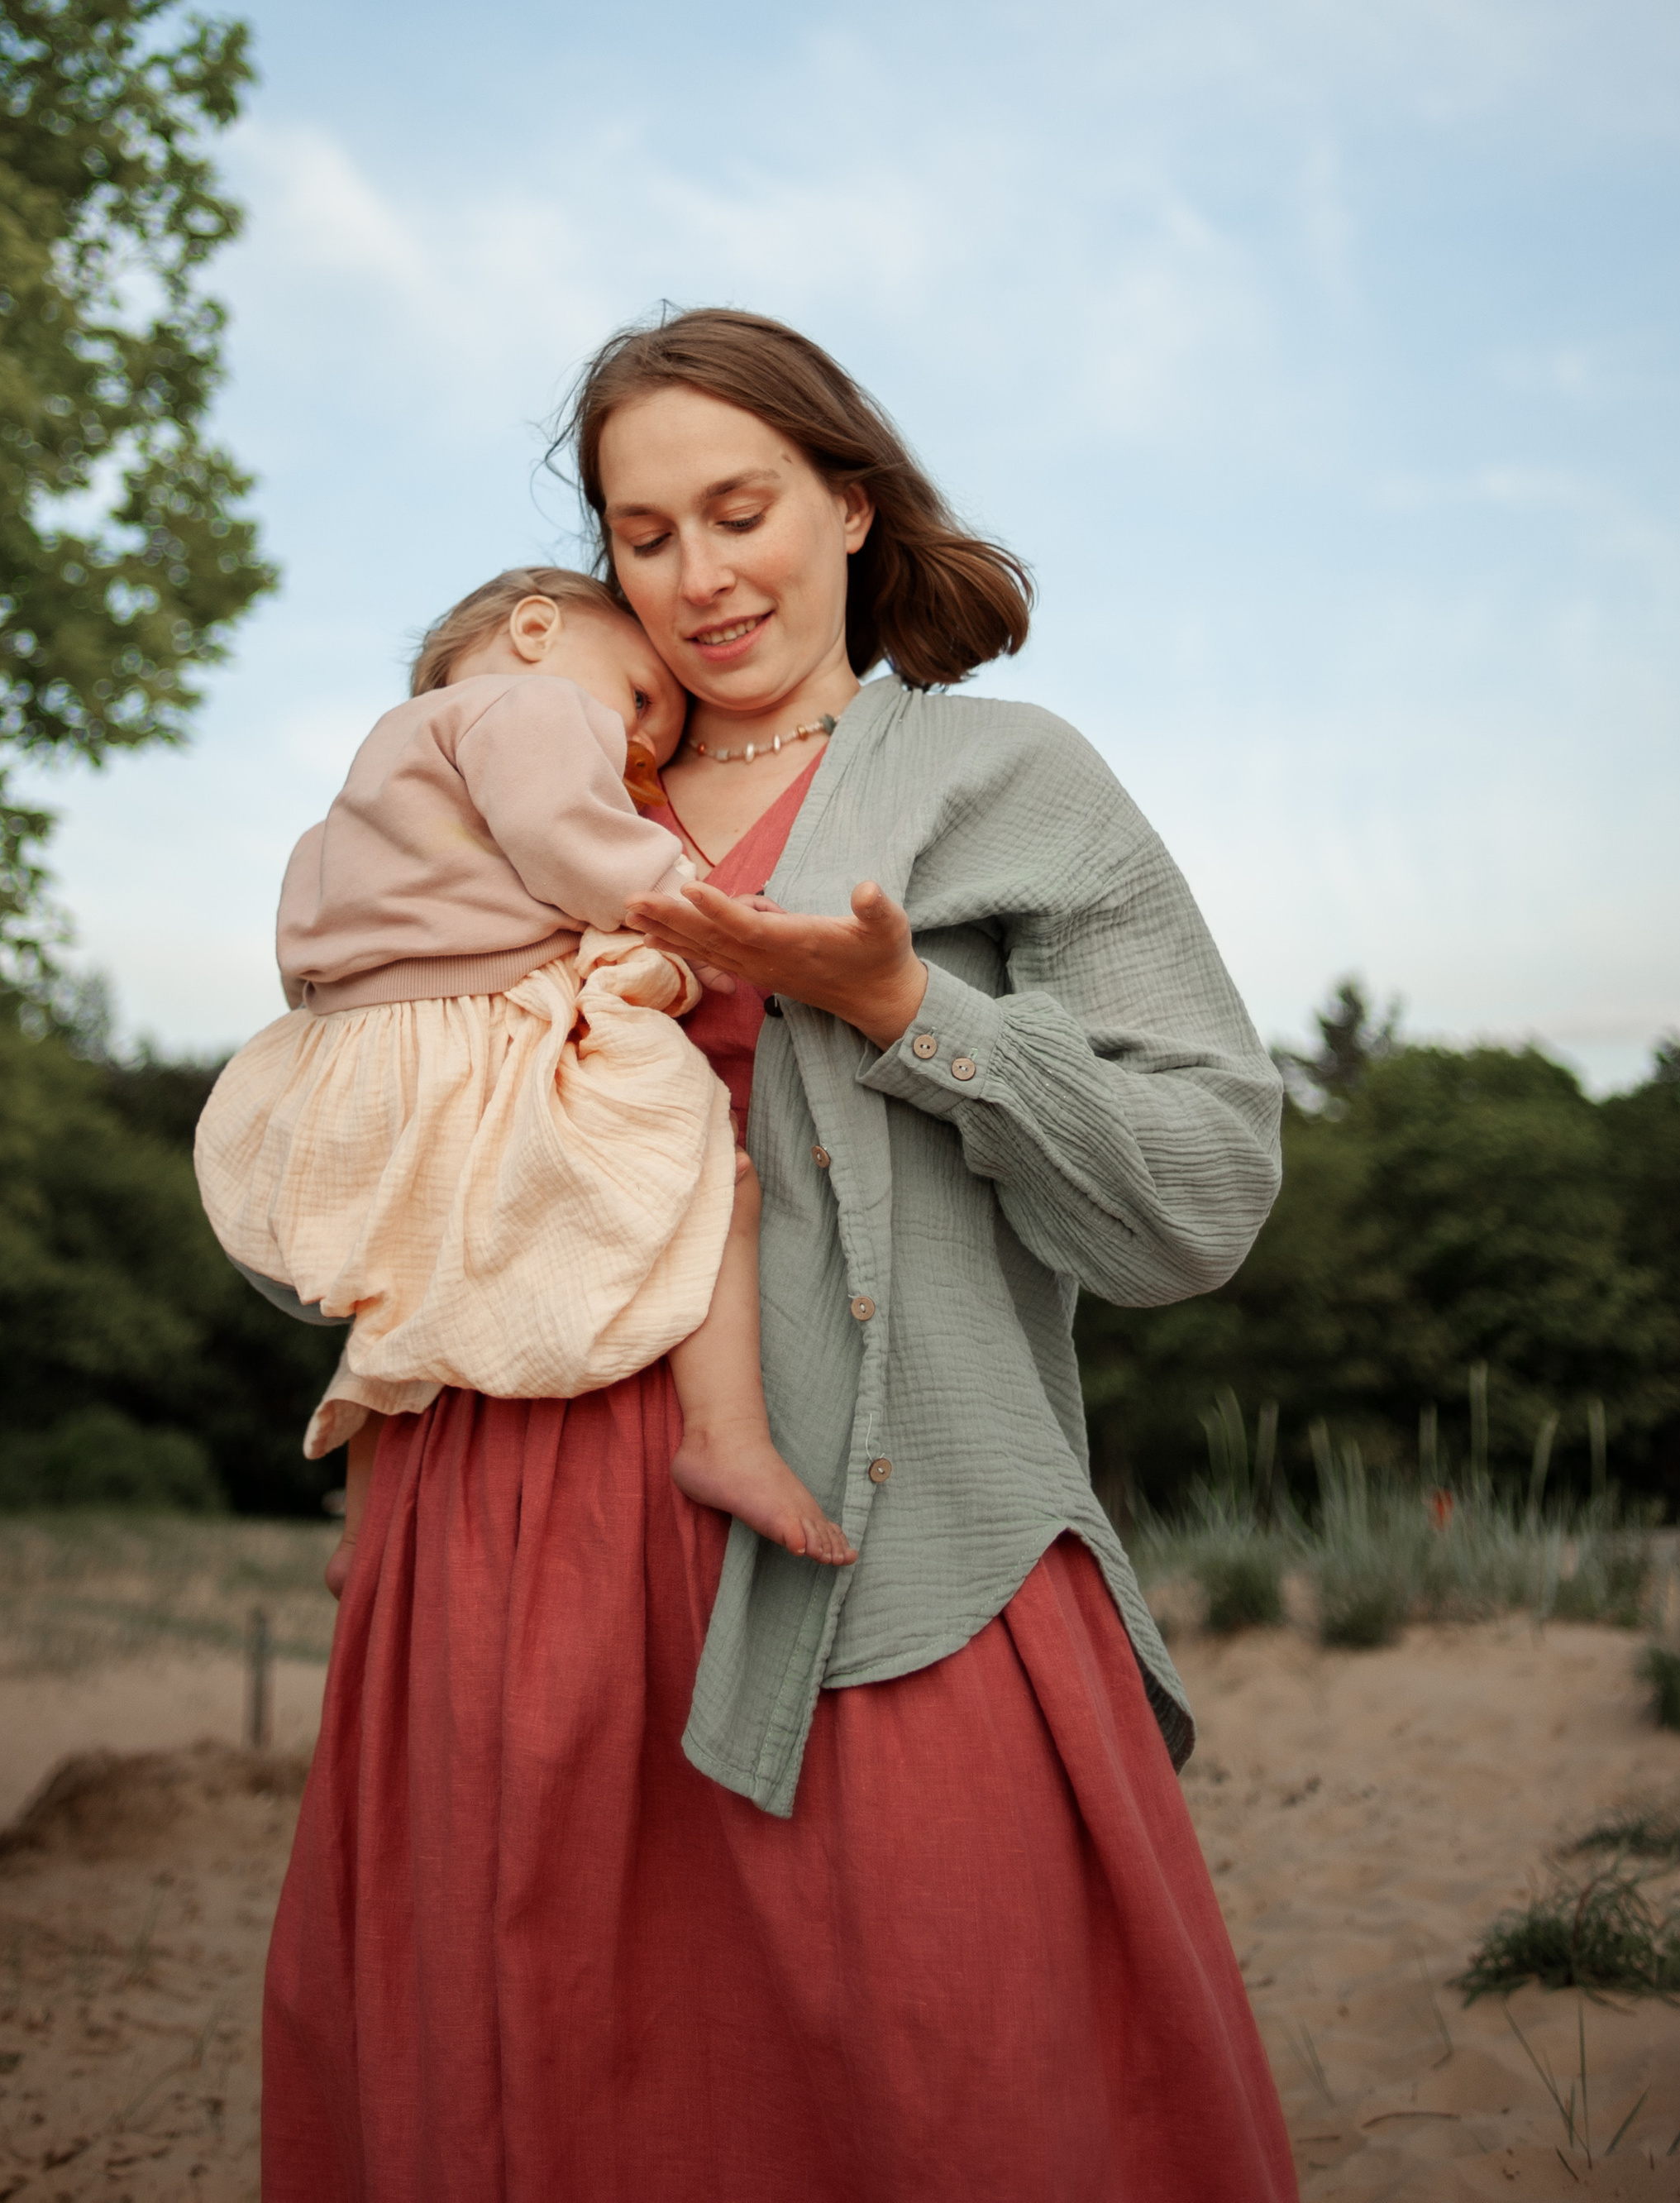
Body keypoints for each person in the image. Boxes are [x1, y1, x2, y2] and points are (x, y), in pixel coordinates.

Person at [262, 310, 1300, 2203]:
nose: (693, 574)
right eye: (639, 533)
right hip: (501, 1547)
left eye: (735, 509)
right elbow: (350, 1121)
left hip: (886, 1541)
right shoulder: (531, 784)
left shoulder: (1004, 780)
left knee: (953, 2073)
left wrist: (912, 1008)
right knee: (542, 2087)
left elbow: (1193, 1196)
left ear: (847, 500)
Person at [194, 562, 856, 1587]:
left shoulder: (376, 777)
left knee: (407, 1282)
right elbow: (566, 837)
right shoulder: (525, 702)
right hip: (470, 1027)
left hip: (349, 1058)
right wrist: (700, 918)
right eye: (640, 698)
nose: (640, 744)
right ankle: (726, 1435)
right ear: (537, 630)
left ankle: (361, 1534)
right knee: (707, 1176)